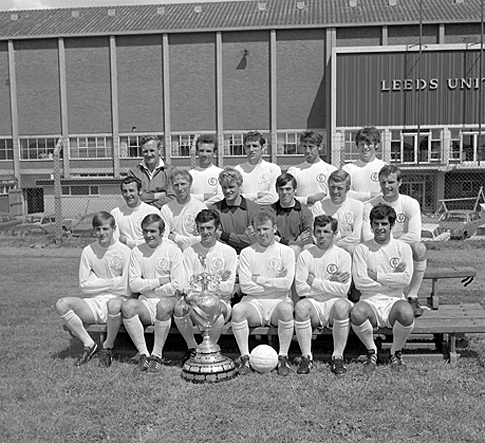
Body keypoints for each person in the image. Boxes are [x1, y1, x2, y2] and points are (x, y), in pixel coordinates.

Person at [56, 211, 132, 367]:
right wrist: (113, 282)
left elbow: (126, 287)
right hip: (94, 303)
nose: (101, 233)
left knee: (115, 304)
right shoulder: (88, 251)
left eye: (105, 229)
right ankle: (89, 344)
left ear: (113, 229)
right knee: (61, 304)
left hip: (118, 304)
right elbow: (84, 285)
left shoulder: (125, 251)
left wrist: (97, 281)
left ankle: (107, 346)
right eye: (98, 229)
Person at [351, 204, 414, 372]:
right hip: (369, 300)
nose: (380, 228)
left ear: (392, 225)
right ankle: (372, 351)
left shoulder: (403, 248)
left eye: (384, 224)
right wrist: (393, 279)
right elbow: (359, 282)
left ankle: (395, 352)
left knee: (407, 313)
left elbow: (406, 279)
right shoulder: (362, 249)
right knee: (357, 312)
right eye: (376, 224)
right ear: (371, 225)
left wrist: (377, 276)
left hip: (394, 300)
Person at [231, 211, 295, 376]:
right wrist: (274, 283)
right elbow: (245, 286)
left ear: (274, 228)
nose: (262, 233)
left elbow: (287, 284)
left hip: (278, 302)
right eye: (258, 229)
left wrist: (258, 279)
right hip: (254, 303)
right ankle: (245, 357)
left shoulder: (286, 252)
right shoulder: (247, 253)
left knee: (287, 309)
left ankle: (283, 357)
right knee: (238, 310)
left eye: (265, 229)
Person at [122, 214, 184, 373]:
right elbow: (134, 285)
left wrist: (148, 286)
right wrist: (159, 281)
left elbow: (177, 285)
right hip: (146, 302)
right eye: (145, 231)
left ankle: (157, 355)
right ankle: (144, 354)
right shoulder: (137, 251)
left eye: (152, 231)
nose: (148, 235)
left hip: (168, 301)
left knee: (163, 306)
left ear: (162, 232)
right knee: (128, 306)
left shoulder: (173, 251)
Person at [362, 165, 427, 317]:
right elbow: (367, 237)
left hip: (402, 247)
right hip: (377, 246)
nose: (387, 186)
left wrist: (392, 244)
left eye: (391, 182)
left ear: (399, 182)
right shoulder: (370, 205)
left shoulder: (410, 203)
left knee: (419, 248)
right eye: (383, 183)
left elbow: (414, 236)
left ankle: (412, 296)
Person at [174, 209, 238, 362]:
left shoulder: (228, 252)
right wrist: (209, 286)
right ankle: (193, 348)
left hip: (220, 300)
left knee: (217, 308)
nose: (205, 232)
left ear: (217, 229)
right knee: (178, 308)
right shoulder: (190, 252)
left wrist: (203, 287)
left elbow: (228, 287)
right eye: (202, 228)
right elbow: (187, 283)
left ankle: (210, 350)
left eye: (209, 228)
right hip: (194, 300)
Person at [294, 215, 352, 375]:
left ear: (335, 234)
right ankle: (306, 357)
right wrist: (331, 281)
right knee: (300, 306)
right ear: (313, 233)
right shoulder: (305, 255)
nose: (321, 235)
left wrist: (315, 282)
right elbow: (300, 289)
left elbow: (343, 290)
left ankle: (338, 356)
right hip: (314, 303)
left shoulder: (343, 256)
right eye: (318, 231)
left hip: (334, 303)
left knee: (342, 305)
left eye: (326, 231)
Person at [312, 169, 364, 255]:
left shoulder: (358, 206)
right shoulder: (319, 206)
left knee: (353, 249)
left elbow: (356, 237)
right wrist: (342, 234)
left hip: (346, 249)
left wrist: (332, 244)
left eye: (339, 188)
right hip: (323, 249)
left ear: (347, 189)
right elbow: (315, 236)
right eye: (332, 187)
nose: (335, 192)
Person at [209, 167, 260, 254]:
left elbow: (254, 240)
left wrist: (223, 235)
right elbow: (214, 239)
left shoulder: (254, 209)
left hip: (250, 255)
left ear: (240, 186)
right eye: (224, 187)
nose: (227, 191)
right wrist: (242, 238)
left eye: (231, 187)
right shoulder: (214, 209)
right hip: (223, 255)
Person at [287, 130, 337, 208]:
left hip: (323, 217)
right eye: (304, 147)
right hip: (301, 216)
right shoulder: (294, 171)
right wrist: (308, 200)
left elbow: (336, 196)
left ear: (319, 147)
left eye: (311, 147)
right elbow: (287, 197)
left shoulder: (330, 170)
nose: (307, 151)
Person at [267, 172, 313, 256]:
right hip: (275, 251)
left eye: (288, 189)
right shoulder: (269, 211)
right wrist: (296, 242)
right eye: (281, 189)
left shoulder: (305, 212)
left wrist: (281, 240)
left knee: (307, 248)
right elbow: (269, 238)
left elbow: (307, 240)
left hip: (299, 252)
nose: (284, 192)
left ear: (295, 189)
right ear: (277, 190)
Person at [160, 168, 207, 250]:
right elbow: (164, 238)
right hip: (173, 250)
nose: (180, 188)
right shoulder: (166, 209)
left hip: (195, 251)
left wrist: (176, 238)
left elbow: (202, 238)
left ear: (190, 184)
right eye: (176, 185)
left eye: (183, 184)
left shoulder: (200, 208)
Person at [111, 176, 160, 249]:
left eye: (131, 190)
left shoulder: (152, 212)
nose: (128, 195)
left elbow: (157, 240)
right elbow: (116, 240)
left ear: (140, 191)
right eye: (125, 191)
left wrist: (128, 242)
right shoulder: (115, 213)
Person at [234, 131, 281, 205]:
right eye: (248, 146)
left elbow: (274, 198)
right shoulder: (238, 170)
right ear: (244, 148)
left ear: (262, 148)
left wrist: (247, 201)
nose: (251, 150)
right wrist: (257, 195)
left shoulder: (273, 169)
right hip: (244, 214)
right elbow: (235, 197)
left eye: (255, 146)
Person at [342, 126, 387, 202]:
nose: (365, 147)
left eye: (369, 144)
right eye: (362, 144)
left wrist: (358, 195)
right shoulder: (348, 169)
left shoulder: (384, 167)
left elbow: (388, 193)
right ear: (357, 145)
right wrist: (370, 195)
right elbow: (345, 193)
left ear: (376, 145)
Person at [128, 135, 174, 208]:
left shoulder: (171, 171)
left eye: (152, 150)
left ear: (159, 150)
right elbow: (132, 197)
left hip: (163, 215)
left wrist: (148, 207)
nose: (149, 154)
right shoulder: (134, 172)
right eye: (145, 151)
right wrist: (157, 195)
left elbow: (172, 199)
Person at [189, 134, 224, 205]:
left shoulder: (220, 173)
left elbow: (221, 197)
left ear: (215, 153)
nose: (204, 154)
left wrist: (201, 205)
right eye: (201, 151)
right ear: (197, 152)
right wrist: (204, 196)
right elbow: (184, 197)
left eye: (208, 151)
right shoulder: (189, 174)